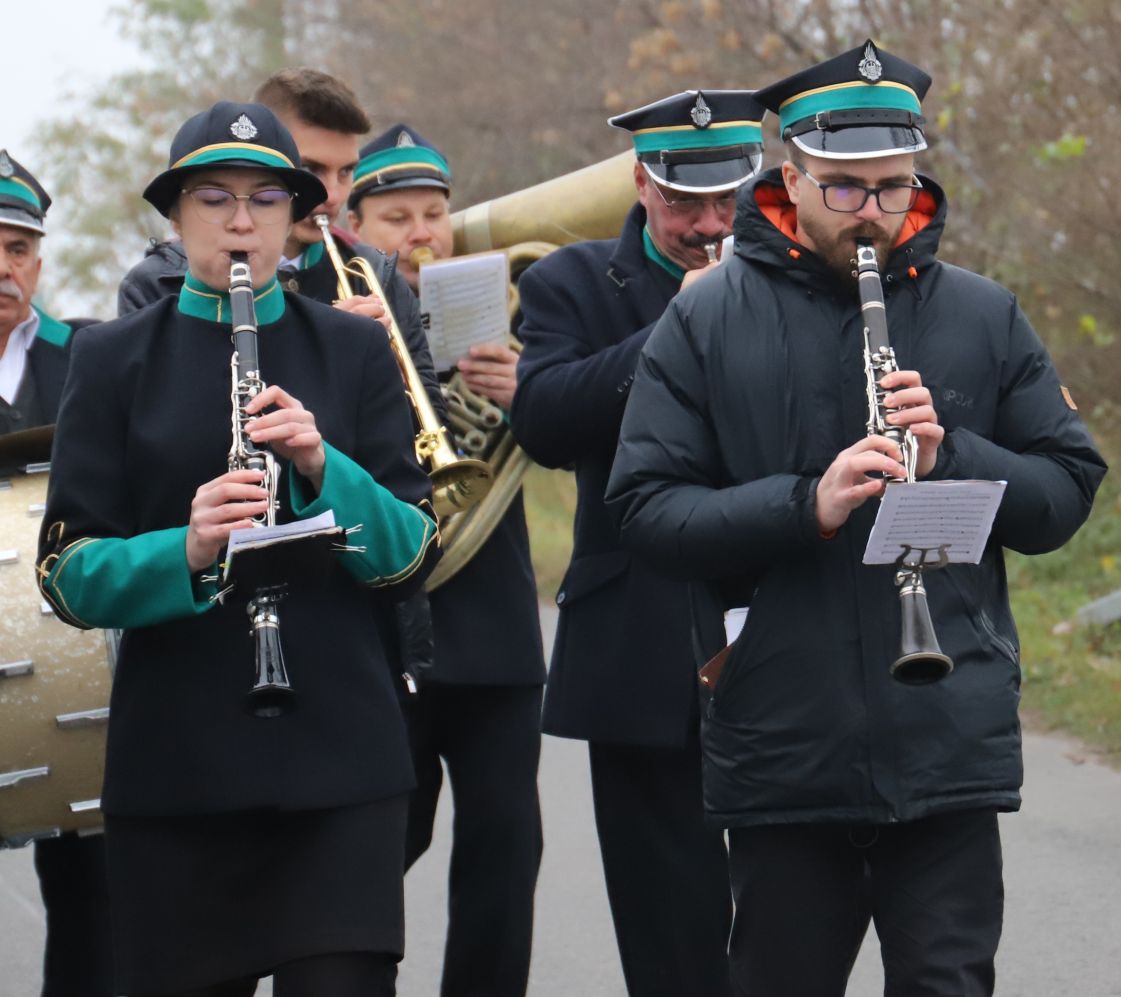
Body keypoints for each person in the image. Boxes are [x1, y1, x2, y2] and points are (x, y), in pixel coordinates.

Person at [605, 41, 1107, 997]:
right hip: (784, 743)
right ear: (788, 177)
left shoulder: (982, 314)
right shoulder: (705, 318)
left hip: (946, 731)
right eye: (842, 188)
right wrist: (810, 502)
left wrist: (950, 452)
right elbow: (644, 510)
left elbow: (1062, 495)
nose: (871, 211)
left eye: (890, 184)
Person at [36, 101, 440, 997]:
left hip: (342, 761)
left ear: (294, 216)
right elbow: (66, 574)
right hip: (179, 769)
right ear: (176, 217)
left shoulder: (355, 348)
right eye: (213, 198)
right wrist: (188, 544)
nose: (241, 220)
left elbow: (413, 551)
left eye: (265, 198)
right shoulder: (112, 360)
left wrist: (319, 463)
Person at [510, 90, 766, 997]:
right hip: (641, 635)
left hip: (781, 620)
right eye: (681, 201)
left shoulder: (791, 270)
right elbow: (541, 420)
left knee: (792, 917)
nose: (707, 223)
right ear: (639, 182)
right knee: (669, 932)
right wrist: (679, 323)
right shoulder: (569, 283)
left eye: (726, 201)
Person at [347, 123, 546, 997]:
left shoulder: (507, 311)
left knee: (508, 842)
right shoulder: (336, 322)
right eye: (396, 217)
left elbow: (560, 441)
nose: (421, 232)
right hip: (390, 628)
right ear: (354, 226)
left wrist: (525, 389)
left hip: (496, 628)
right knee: (384, 842)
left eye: (434, 213)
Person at [0, 148, 113, 997]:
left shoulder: (87, 358)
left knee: (91, 914)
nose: (4, 267)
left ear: (38, 261)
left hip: (74, 683)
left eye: (17, 248)